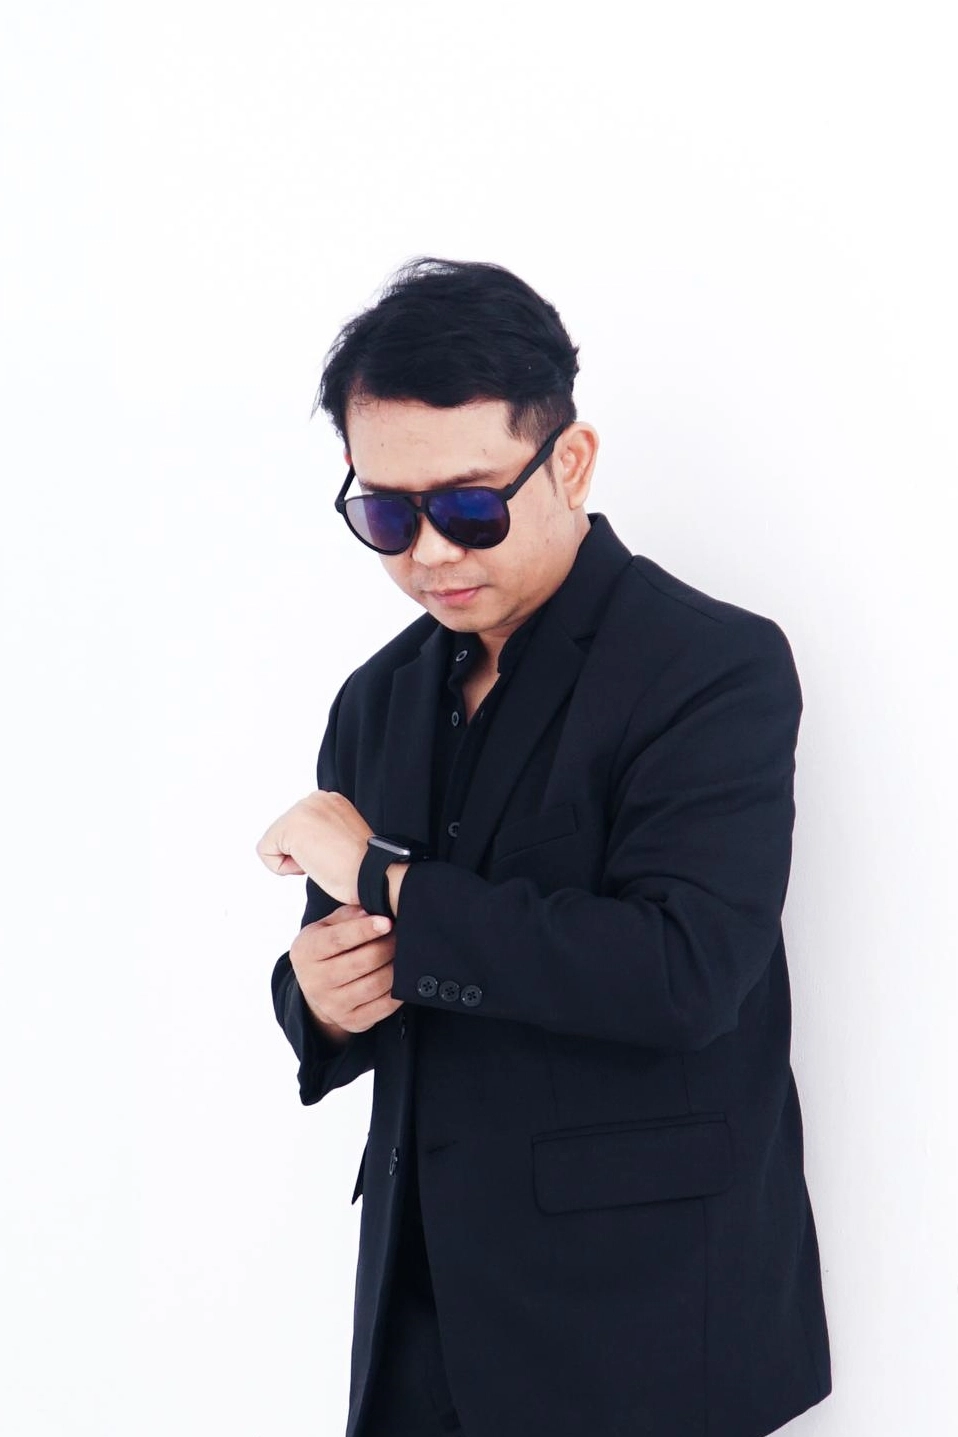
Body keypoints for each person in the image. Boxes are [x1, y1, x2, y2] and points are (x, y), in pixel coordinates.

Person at [256, 257, 832, 1437]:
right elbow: (361, 951)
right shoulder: (376, 699)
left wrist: (382, 876)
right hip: (421, 1315)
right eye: (385, 514)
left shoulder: (711, 668)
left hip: (644, 1322)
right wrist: (318, 998)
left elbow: (683, 973)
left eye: (469, 507)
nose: (428, 554)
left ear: (568, 463)